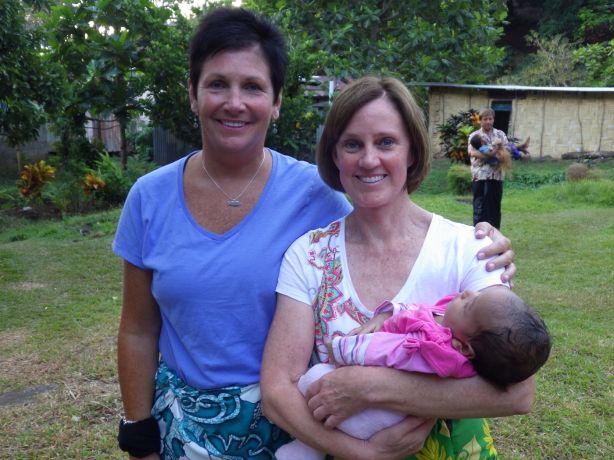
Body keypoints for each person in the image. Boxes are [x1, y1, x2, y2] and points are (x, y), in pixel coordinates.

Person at [113, 7, 515, 459]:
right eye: (217, 84)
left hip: (296, 426)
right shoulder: (149, 199)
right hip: (190, 426)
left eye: (253, 86)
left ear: (277, 100)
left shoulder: (315, 192)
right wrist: (138, 431)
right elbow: (137, 330)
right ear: (192, 92)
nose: (235, 102)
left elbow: (386, 213)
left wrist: (480, 243)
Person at [261, 77, 534, 460]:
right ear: (335, 155)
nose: (369, 159)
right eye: (352, 144)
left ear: (411, 151)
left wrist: (370, 387)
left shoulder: (469, 249)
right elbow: (277, 391)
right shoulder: (308, 255)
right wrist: (363, 453)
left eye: (386, 142)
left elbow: (519, 392)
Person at [275, 285, 551, 460]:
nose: (467, 292)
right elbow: (416, 312)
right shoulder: (455, 324)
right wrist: (385, 315)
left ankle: (307, 451)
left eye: (469, 304)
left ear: (464, 348)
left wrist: (345, 349)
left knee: (314, 379)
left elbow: (386, 349)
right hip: (381, 431)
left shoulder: (438, 351)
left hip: (390, 423)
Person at [468, 108, 509, 229]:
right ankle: (479, 236)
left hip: (496, 177)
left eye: (490, 119)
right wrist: (494, 156)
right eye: (485, 119)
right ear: (480, 121)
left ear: (493, 119)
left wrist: (495, 156)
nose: (488, 121)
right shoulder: (474, 136)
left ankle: (494, 236)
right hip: (479, 176)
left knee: (494, 207)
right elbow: (472, 153)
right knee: (479, 207)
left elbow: (506, 152)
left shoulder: (500, 134)